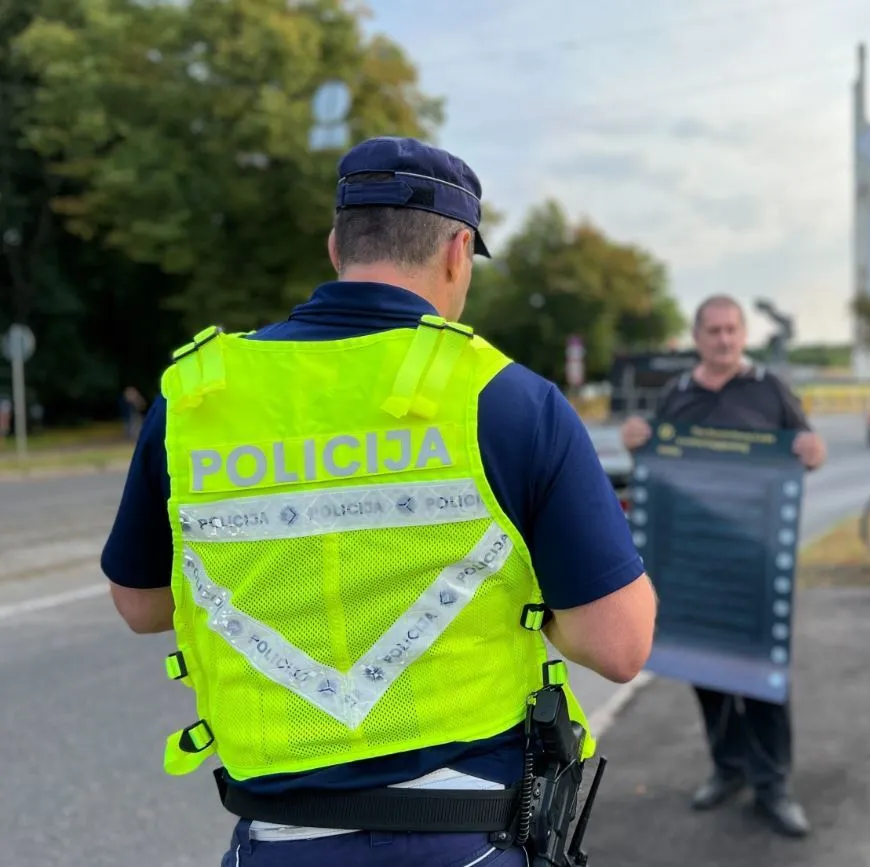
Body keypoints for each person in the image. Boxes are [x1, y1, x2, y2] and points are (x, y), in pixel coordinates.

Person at [100, 136, 658, 866]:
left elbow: (141, 605)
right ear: (458, 251)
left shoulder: (195, 398)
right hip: (467, 835)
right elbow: (618, 645)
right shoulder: (507, 398)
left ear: (337, 246)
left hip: (276, 839)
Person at [619, 294, 826, 838]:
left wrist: (813, 450)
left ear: (744, 334)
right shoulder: (677, 395)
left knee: (761, 678)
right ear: (697, 337)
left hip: (754, 564)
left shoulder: (769, 389)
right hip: (694, 564)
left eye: (732, 329)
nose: (724, 339)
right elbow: (658, 462)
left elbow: (807, 451)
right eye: (713, 331)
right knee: (706, 674)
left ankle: (773, 786)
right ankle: (727, 769)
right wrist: (637, 441)